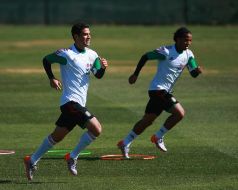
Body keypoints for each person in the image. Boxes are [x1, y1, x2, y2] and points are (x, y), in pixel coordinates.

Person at [24, 22, 108, 180]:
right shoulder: (66, 54)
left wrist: (103, 67)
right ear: (76, 37)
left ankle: (32, 160)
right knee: (96, 128)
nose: (88, 36)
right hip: (70, 102)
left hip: (78, 104)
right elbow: (46, 60)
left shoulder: (93, 54)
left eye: (89, 33)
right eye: (84, 34)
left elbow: (98, 74)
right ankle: (72, 157)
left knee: (57, 136)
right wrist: (52, 78)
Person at [117, 27, 202, 158]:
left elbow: (193, 73)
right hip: (158, 90)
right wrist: (135, 74)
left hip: (163, 91)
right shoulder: (166, 51)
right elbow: (145, 56)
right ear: (178, 39)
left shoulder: (189, 55)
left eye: (190, 41)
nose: (188, 43)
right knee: (179, 113)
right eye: (186, 40)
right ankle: (158, 137)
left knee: (147, 120)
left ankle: (125, 142)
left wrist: (198, 71)